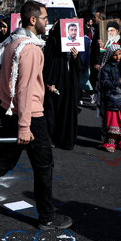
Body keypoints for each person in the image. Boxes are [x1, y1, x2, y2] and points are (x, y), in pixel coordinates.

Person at [0, 0, 73, 231]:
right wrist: (24, 126)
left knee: (5, 160)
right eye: (45, 18)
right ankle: (47, 216)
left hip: (11, 111)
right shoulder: (30, 49)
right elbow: (26, 90)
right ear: (33, 20)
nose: (47, 23)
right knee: (44, 165)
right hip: (29, 116)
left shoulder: (11, 42)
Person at [43, 20, 83, 150]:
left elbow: (79, 68)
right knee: (52, 112)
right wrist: (49, 82)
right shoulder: (52, 43)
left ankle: (65, 140)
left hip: (70, 84)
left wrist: (75, 57)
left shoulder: (74, 47)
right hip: (55, 84)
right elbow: (47, 66)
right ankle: (51, 138)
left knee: (68, 110)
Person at [99, 44, 121, 153]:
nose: (118, 57)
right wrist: (119, 82)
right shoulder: (106, 68)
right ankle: (110, 143)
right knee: (113, 123)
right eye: (115, 55)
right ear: (109, 56)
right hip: (113, 100)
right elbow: (104, 83)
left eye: (119, 55)